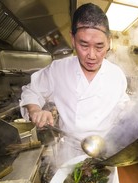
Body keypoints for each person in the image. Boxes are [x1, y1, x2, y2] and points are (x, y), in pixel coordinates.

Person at [20, 3, 129, 164]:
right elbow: (32, 91)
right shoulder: (58, 69)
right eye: (84, 45)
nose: (91, 55)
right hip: (69, 153)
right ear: (73, 39)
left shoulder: (117, 75)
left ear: (109, 42)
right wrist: (35, 109)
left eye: (99, 46)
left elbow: (123, 108)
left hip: (105, 154)